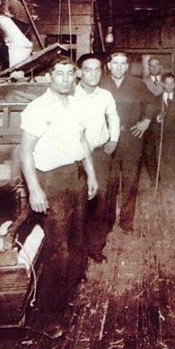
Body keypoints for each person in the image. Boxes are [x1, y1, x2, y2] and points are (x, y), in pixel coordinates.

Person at [20, 56, 98, 312]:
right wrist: (34, 189)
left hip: (75, 177)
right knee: (58, 249)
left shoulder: (77, 105)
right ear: (49, 78)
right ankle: (49, 313)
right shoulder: (38, 108)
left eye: (69, 74)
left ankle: (69, 295)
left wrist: (91, 174)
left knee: (76, 242)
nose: (66, 79)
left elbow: (83, 142)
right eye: (59, 74)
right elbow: (26, 152)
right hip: (51, 181)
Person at [100, 51, 156, 232]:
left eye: (123, 63)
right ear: (108, 65)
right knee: (109, 183)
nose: (119, 67)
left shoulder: (136, 84)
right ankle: (107, 222)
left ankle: (126, 221)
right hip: (108, 140)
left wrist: (146, 121)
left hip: (132, 138)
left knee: (130, 181)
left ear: (127, 66)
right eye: (115, 63)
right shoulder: (101, 84)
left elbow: (152, 102)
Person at [74, 53, 120, 263]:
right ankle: (78, 254)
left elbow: (113, 118)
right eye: (87, 69)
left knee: (99, 204)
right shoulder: (71, 95)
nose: (93, 74)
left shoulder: (105, 95)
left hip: (100, 155)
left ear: (102, 72)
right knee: (77, 204)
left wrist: (114, 139)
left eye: (97, 70)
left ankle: (95, 247)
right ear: (79, 72)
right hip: (74, 157)